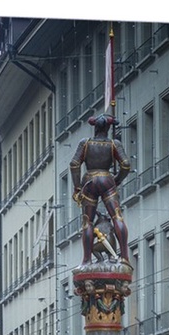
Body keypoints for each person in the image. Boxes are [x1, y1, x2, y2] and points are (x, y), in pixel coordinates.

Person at [69, 113, 132, 264]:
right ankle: (124, 256)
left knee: (88, 222)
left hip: (89, 181)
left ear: (95, 129)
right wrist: (117, 180)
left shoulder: (85, 143)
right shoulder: (113, 144)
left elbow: (74, 164)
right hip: (106, 179)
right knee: (116, 216)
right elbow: (126, 165)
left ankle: (87, 259)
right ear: (108, 128)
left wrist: (77, 187)